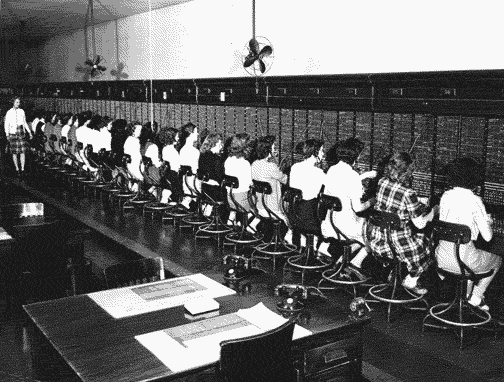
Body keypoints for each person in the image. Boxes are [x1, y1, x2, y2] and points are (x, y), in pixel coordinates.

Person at [367, 152, 437, 295]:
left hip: (377, 242)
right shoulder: (408, 193)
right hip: (398, 246)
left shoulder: (381, 182)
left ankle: (395, 273)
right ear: (408, 172)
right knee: (428, 243)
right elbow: (420, 224)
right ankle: (411, 279)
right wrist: (433, 212)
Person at [436, 157, 502, 311]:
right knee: (497, 260)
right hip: (464, 259)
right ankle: (476, 297)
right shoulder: (475, 200)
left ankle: (465, 300)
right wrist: (488, 222)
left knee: (471, 264)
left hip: (441, 257)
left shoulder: (445, 196)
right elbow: (488, 237)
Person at [321, 138, 376, 271]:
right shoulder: (352, 175)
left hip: (330, 224)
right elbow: (358, 208)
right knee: (372, 235)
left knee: (359, 235)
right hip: (345, 227)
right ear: (355, 156)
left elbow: (341, 184)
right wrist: (371, 202)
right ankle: (355, 263)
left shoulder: (332, 169)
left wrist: (362, 176)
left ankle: (342, 260)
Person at [288, 139, 326, 246]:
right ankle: (320, 248)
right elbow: (334, 186)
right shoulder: (318, 172)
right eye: (321, 151)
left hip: (293, 213)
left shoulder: (294, 167)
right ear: (315, 153)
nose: (323, 154)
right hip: (309, 216)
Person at [251, 135, 288, 224]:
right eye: (273, 147)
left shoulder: (254, 164)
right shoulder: (271, 166)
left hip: (258, 205)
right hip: (272, 208)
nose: (274, 149)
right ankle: (289, 235)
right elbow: (285, 180)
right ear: (268, 150)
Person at [4, 97, 33, 176]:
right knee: (14, 153)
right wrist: (7, 134)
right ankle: (17, 169)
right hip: (12, 133)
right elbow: (6, 124)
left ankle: (22, 169)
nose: (18, 104)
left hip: (21, 132)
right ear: (13, 102)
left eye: (19, 102)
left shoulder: (22, 111)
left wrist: (29, 132)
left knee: (22, 152)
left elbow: (24, 122)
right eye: (17, 102)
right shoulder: (9, 112)